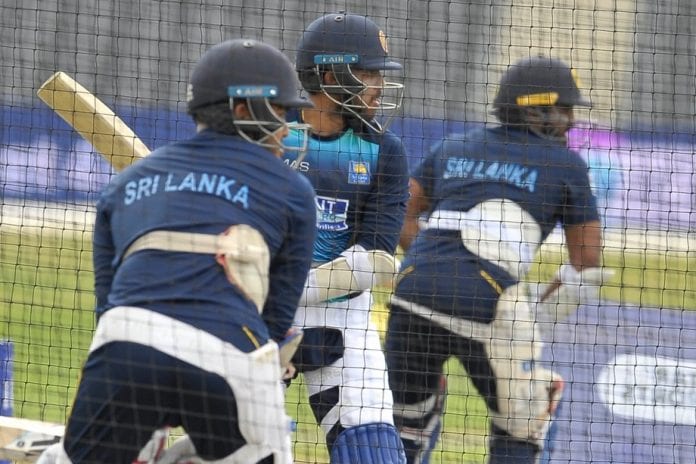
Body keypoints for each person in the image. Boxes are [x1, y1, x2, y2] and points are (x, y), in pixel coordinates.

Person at [39, 38, 317, 464]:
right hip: (227, 350)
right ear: (245, 109)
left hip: (124, 345)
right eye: (280, 112)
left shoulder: (123, 185)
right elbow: (275, 322)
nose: (286, 128)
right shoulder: (293, 190)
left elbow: (109, 306)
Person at [385, 56, 612, 464]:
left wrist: (431, 264)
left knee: (407, 426)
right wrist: (536, 316)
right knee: (527, 421)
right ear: (536, 111)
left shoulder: (452, 146)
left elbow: (398, 210)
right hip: (488, 303)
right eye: (565, 109)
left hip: (412, 293)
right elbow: (588, 265)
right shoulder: (567, 165)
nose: (572, 122)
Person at [281, 12, 410, 463]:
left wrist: (292, 286)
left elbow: (375, 260)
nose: (379, 86)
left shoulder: (385, 152)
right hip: (255, 311)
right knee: (231, 444)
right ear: (330, 76)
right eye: (369, 74)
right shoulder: (269, 132)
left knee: (374, 452)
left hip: (342, 314)